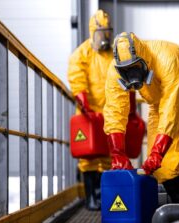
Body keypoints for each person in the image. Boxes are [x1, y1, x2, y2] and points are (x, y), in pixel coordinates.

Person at [103, 32, 179, 204]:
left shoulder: (169, 58)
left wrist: (158, 151)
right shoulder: (114, 71)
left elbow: (172, 109)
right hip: (159, 101)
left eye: (135, 68)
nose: (132, 76)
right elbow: (114, 110)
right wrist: (118, 153)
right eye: (126, 72)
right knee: (161, 166)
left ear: (144, 60)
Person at [67, 10, 113, 210]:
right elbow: (77, 78)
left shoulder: (112, 54)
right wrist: (83, 100)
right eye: (101, 33)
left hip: (109, 114)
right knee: (88, 156)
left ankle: (104, 197)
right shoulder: (82, 53)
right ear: (93, 32)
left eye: (107, 32)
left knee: (109, 155)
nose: (105, 37)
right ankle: (91, 198)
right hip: (88, 115)